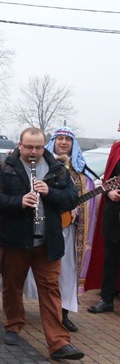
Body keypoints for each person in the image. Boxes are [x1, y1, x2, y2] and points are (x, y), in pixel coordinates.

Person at [0, 127, 83, 360]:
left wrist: (49, 192)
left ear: (45, 146)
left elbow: (72, 198)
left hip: (47, 241)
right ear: (19, 144)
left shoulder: (57, 169)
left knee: (51, 290)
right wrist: (19, 201)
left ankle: (59, 343)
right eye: (29, 147)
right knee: (13, 285)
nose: (34, 152)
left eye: (39, 147)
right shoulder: (5, 167)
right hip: (16, 240)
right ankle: (13, 324)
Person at [43, 126, 98, 332]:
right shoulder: (42, 166)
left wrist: (78, 209)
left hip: (69, 232)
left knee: (67, 273)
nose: (64, 142)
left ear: (73, 145)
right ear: (53, 142)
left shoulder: (82, 175)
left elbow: (88, 201)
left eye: (68, 139)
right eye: (60, 139)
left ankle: (63, 313)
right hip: (41, 228)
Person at [85, 118, 120, 315]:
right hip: (114, 213)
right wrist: (109, 193)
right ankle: (107, 299)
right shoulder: (116, 149)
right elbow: (107, 180)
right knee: (110, 258)